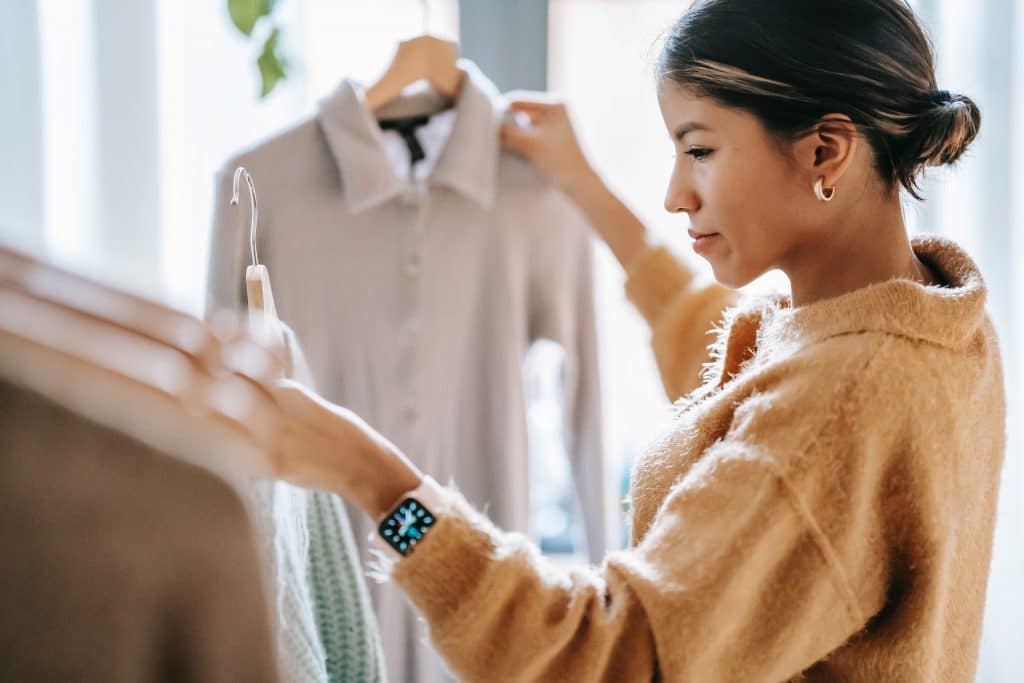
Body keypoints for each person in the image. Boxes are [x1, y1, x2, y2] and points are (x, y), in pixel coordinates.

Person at [269, 1, 1006, 680]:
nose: (675, 193)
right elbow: (734, 387)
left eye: (700, 150)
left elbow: (607, 656)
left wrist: (374, 479)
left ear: (825, 153)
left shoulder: (841, 402)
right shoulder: (933, 322)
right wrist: (583, 183)